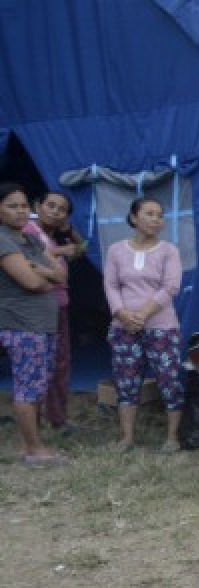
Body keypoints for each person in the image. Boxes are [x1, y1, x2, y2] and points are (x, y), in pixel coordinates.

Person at [103, 197, 184, 452]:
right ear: (134, 217)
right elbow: (112, 285)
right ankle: (127, 438)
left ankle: (172, 438)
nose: (156, 219)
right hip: (123, 327)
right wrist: (121, 313)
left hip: (161, 326)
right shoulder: (116, 250)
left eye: (159, 215)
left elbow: (171, 286)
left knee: (168, 379)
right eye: (149, 213)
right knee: (126, 381)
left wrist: (142, 315)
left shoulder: (169, 250)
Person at [0, 182, 69, 466]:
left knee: (38, 385)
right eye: (12, 205)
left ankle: (34, 443)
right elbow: (29, 282)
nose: (20, 211)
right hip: (22, 324)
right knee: (28, 387)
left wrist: (40, 272)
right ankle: (33, 449)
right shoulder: (3, 239)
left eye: (24, 205)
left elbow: (61, 276)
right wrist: (44, 278)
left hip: (43, 324)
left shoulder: (29, 240)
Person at [24, 190, 86, 432]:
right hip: (37, 308)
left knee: (60, 364)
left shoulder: (54, 236)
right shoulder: (28, 231)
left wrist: (69, 231)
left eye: (62, 209)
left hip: (58, 307)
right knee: (40, 365)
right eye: (50, 205)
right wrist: (61, 252)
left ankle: (58, 419)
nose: (55, 211)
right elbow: (30, 260)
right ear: (37, 206)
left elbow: (80, 249)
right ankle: (35, 422)